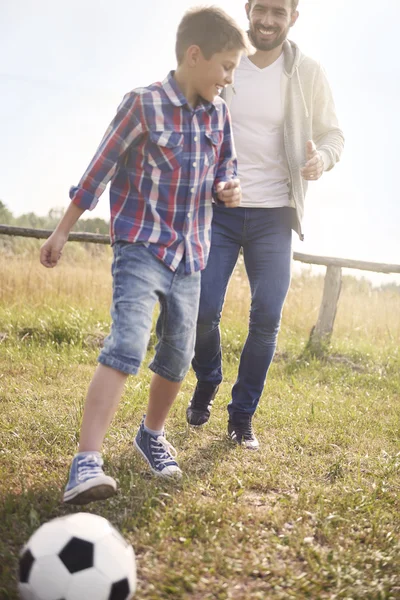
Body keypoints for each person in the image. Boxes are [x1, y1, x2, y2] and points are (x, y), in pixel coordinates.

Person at [40, 6, 248, 505]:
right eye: (226, 67)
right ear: (194, 55)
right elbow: (97, 172)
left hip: (192, 254)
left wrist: (227, 187)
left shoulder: (219, 113)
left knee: (178, 353)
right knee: (129, 342)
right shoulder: (142, 104)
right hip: (141, 248)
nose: (229, 79)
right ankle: (86, 462)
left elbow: (226, 166)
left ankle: (151, 435)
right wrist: (61, 233)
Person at [187, 0, 344, 448]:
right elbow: (189, 114)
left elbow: (334, 135)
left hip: (275, 214)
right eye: (262, 10)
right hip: (219, 210)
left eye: (279, 12)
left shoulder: (307, 72)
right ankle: (209, 378)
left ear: (293, 17)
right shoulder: (224, 58)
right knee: (201, 308)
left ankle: (241, 418)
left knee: (268, 315)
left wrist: (322, 159)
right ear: (248, 9)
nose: (269, 20)